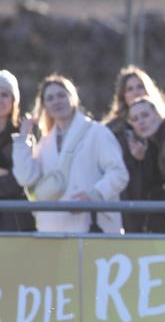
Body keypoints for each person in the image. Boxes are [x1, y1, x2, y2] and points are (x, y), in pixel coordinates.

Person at [12, 74, 128, 233]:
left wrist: (93, 196)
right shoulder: (45, 143)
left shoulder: (97, 132)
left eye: (61, 95)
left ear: (73, 98)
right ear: (44, 106)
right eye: (50, 98)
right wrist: (23, 139)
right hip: (52, 231)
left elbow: (119, 173)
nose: (56, 101)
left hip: (92, 229)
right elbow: (25, 177)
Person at [122, 96, 165, 233]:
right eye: (135, 119)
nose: (141, 122)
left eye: (145, 115)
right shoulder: (148, 147)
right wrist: (139, 161)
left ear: (158, 114)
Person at [0, 70, 35, 231]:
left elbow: (23, 179)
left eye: (4, 94)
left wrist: (10, 177)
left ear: (14, 100)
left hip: (16, 216)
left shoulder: (24, 132)